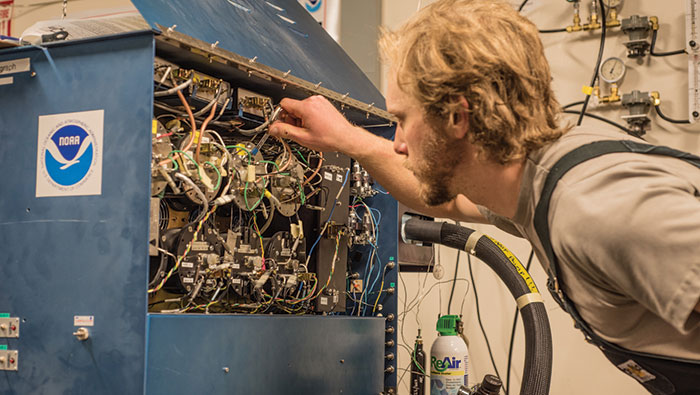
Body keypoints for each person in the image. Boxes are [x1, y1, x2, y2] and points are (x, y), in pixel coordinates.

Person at [269, 0, 700, 393]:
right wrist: (350, 140)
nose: (397, 141)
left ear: (457, 116)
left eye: (401, 119)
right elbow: (446, 201)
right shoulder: (532, 184)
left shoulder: (594, 208)